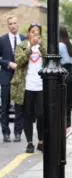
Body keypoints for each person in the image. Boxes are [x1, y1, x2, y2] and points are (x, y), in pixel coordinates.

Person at [11, 23, 46, 153]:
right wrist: (30, 48)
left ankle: (41, 141)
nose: (35, 34)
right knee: (27, 115)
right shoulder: (21, 46)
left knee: (41, 115)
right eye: (32, 32)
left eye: (37, 32)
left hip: (40, 86)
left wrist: (41, 48)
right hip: (26, 87)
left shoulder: (43, 46)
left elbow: (50, 60)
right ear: (28, 33)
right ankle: (30, 142)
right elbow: (19, 61)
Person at [0, 16, 26, 143]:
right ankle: (5, 132)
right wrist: (9, 64)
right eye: (10, 24)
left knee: (19, 107)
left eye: (15, 23)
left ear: (18, 24)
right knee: (4, 106)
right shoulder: (2, 39)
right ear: (8, 25)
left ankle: (18, 133)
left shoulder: (25, 39)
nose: (13, 25)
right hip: (6, 76)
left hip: (20, 77)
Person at [59, 26, 72, 136]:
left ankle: (62, 125)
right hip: (71, 76)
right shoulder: (71, 46)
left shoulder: (60, 45)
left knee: (61, 102)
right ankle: (68, 125)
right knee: (68, 102)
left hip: (63, 74)